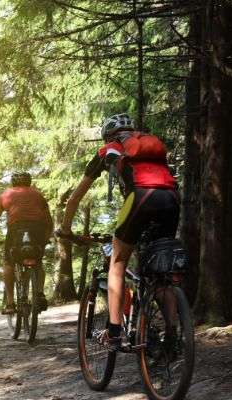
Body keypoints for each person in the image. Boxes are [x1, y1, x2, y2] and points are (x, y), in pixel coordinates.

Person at [58, 113, 179, 349]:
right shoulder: (151, 148)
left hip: (141, 198)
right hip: (172, 199)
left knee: (117, 263)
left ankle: (114, 333)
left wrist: (65, 229)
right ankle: (173, 336)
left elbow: (75, 198)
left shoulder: (109, 150)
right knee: (160, 272)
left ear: (107, 136)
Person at [0, 172, 53, 315]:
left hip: (16, 230)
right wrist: (46, 238)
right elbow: (49, 221)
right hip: (37, 230)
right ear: (29, 182)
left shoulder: (5, 195)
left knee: (8, 263)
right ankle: (40, 293)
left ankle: (10, 303)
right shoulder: (38, 195)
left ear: (13, 183)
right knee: (38, 261)